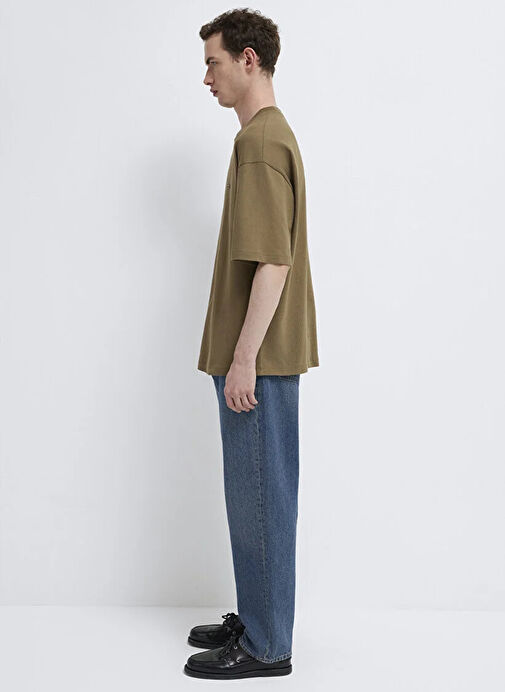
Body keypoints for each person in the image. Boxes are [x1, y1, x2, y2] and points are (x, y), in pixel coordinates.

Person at [184, 8, 319, 680]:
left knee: (260, 499)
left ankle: (267, 646)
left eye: (213, 62)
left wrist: (243, 360)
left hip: (257, 362)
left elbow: (273, 262)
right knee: (255, 497)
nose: (205, 77)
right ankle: (259, 615)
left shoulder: (260, 144)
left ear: (248, 59)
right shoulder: (264, 137)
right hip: (260, 359)